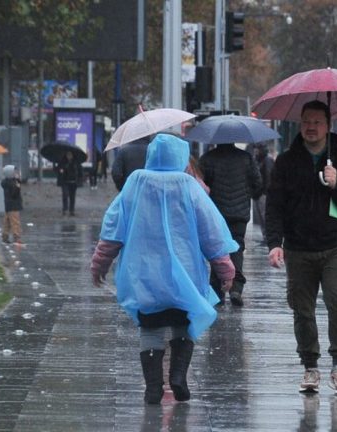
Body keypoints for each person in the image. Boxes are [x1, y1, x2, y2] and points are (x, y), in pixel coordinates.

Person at [89, 133, 238, 405]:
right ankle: (178, 376)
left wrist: (100, 263)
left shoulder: (135, 183)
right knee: (183, 323)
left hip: (144, 274)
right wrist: (225, 268)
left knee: (151, 328)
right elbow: (211, 231)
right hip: (184, 273)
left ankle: (153, 386)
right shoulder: (190, 186)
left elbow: (113, 228)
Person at [265, 100, 337, 393]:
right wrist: (275, 243)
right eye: (306, 121)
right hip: (298, 248)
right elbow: (275, 206)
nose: (311, 127)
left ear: (328, 126)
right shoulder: (286, 162)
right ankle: (310, 366)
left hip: (336, 245)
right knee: (303, 310)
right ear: (300, 124)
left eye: (317, 122)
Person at [199, 141, 263, 307]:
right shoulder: (246, 158)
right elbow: (258, 183)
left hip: (216, 214)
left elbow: (201, 185)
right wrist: (246, 194)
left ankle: (217, 291)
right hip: (239, 214)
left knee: (217, 249)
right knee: (237, 248)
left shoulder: (207, 159)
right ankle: (236, 288)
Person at [252, 142, 275, 243]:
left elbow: (269, 177)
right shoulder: (257, 160)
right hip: (258, 193)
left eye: (256, 149)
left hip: (263, 193)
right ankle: (265, 235)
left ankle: (268, 236)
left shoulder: (267, 160)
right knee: (261, 217)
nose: (255, 151)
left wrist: (265, 192)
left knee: (264, 215)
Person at [0, 165, 23, 244]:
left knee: (7, 222)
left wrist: (18, 181)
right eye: (14, 172)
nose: (15, 173)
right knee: (15, 222)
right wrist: (17, 187)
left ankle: (4, 237)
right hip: (13, 205)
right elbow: (14, 195)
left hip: (8, 205)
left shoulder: (7, 182)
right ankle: (17, 238)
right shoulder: (11, 183)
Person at [56, 150, 83, 216]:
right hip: (65, 181)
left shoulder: (76, 162)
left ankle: (72, 210)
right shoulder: (63, 162)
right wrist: (61, 170)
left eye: (70, 154)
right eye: (68, 154)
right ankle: (65, 209)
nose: (69, 156)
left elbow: (80, 171)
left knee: (72, 196)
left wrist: (80, 179)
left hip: (73, 182)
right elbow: (58, 169)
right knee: (65, 195)